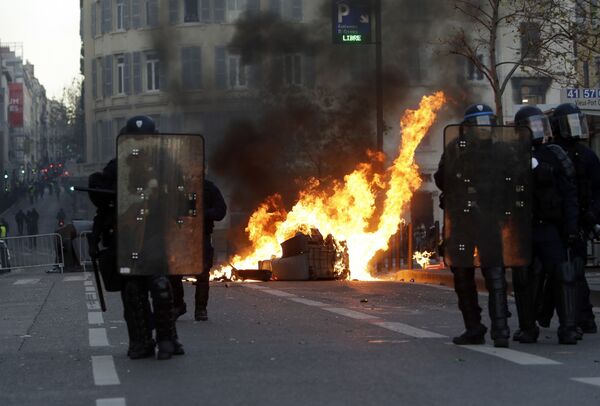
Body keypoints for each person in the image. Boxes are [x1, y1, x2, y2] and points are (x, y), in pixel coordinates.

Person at [88, 115, 183, 360]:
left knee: (160, 285)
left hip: (155, 233)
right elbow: (101, 195)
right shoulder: (118, 166)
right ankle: (141, 341)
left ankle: (167, 338)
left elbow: (183, 194)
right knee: (132, 289)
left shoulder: (166, 166)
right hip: (128, 236)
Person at [434, 104, 514, 348]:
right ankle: (474, 328)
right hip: (461, 220)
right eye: (479, 124)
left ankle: (501, 330)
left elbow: (512, 182)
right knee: (462, 275)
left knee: (495, 274)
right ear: (468, 128)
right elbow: (441, 179)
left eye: (487, 122)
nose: (484, 128)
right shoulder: (456, 149)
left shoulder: (502, 151)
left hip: (488, 219)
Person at [512, 105, 579, 344]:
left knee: (563, 275)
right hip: (522, 229)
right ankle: (528, 328)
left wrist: (571, 227)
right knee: (523, 279)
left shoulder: (555, 153)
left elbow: (569, 193)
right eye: (533, 126)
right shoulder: (512, 156)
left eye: (540, 125)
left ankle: (569, 328)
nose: (538, 130)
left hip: (549, 228)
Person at [549, 103, 600, 335]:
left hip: (577, 220)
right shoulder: (550, 152)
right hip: (555, 220)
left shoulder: (587, 155)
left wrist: (592, 215)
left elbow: (598, 190)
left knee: (574, 271)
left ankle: (583, 317)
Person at [170, 177, 227, 321]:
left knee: (202, 272)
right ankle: (178, 304)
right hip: (180, 235)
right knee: (173, 271)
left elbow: (220, 211)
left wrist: (202, 214)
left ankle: (201, 309)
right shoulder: (176, 187)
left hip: (201, 235)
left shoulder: (209, 188)